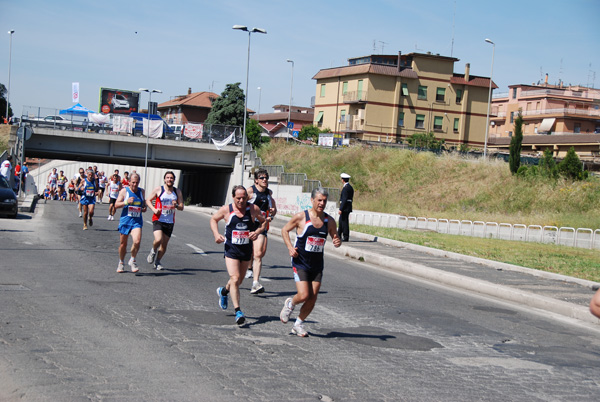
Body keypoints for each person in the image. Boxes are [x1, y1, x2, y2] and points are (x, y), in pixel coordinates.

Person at [280, 187, 341, 337]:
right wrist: (290, 247)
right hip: (300, 262)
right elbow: (284, 230)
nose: (322, 203)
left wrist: (336, 240)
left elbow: (335, 236)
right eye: (319, 200)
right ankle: (290, 304)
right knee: (303, 295)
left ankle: (298, 324)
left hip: (316, 264)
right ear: (312, 200)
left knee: (313, 298)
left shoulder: (329, 221)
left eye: (324, 201)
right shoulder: (301, 217)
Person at [210, 185, 266, 325]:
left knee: (239, 281)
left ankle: (223, 291)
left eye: (243, 198)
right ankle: (238, 311)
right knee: (234, 278)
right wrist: (216, 234)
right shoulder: (226, 210)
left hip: (246, 250)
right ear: (233, 197)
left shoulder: (253, 209)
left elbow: (264, 222)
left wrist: (257, 232)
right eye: (238, 198)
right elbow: (213, 220)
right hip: (231, 250)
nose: (241, 201)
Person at [246, 168, 278, 294]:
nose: (265, 180)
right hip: (248, 226)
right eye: (262, 178)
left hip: (261, 226)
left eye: (266, 178)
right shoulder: (250, 191)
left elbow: (274, 208)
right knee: (247, 252)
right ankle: (246, 268)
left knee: (259, 253)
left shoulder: (268, 193)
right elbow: (239, 204)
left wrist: (272, 214)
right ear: (256, 180)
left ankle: (255, 283)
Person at [146, 171, 184, 270]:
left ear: (174, 180)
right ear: (164, 179)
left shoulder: (177, 192)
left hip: (170, 221)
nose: (169, 179)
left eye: (171, 178)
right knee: (158, 239)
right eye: (167, 178)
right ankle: (153, 250)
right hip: (158, 219)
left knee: (164, 244)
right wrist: (154, 209)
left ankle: (157, 262)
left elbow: (181, 207)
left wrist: (176, 205)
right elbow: (148, 200)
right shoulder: (159, 189)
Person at [115, 172, 146, 273]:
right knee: (123, 244)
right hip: (125, 221)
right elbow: (116, 205)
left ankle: (132, 259)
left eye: (137, 183)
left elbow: (144, 206)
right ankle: (121, 262)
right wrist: (126, 202)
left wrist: (143, 208)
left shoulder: (142, 191)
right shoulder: (124, 191)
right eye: (133, 182)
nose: (135, 185)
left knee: (137, 241)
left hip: (136, 221)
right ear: (129, 182)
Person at [338, 172, 354, 242]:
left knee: (344, 222)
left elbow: (344, 199)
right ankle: (339, 235)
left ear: (343, 180)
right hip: (348, 207)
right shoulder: (350, 187)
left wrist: (341, 208)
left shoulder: (345, 188)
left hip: (345, 208)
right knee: (341, 221)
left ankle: (345, 236)